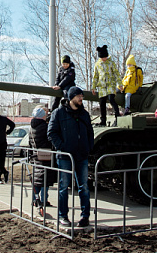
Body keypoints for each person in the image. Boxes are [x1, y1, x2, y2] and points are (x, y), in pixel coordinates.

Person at [47, 86, 95, 228]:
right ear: (71, 97)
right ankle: (63, 216)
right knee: (63, 187)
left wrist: (88, 146)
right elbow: (51, 133)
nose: (81, 98)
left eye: (82, 96)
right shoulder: (59, 113)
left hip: (82, 156)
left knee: (84, 187)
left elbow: (90, 132)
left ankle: (85, 216)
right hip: (65, 157)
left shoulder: (84, 114)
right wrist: (63, 147)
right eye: (79, 96)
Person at [29, 106, 55, 214]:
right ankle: (44, 200)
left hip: (36, 155)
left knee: (37, 179)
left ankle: (35, 200)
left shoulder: (31, 127)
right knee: (45, 180)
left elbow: (30, 143)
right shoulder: (45, 126)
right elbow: (50, 139)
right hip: (46, 156)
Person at [92, 45, 121, 126]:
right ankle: (103, 120)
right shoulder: (97, 64)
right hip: (102, 86)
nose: (104, 59)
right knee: (102, 103)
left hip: (110, 84)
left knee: (111, 99)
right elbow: (95, 76)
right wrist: (93, 87)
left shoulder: (111, 63)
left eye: (105, 57)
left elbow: (116, 73)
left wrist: (120, 84)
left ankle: (117, 116)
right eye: (102, 58)